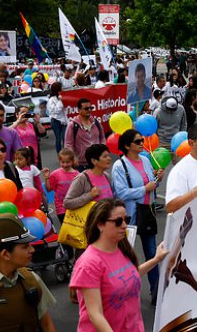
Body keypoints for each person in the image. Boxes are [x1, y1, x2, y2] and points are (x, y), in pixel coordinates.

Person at [69, 199, 168, 331]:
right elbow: (95, 314)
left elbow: (129, 276)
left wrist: (156, 259)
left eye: (126, 219)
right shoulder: (89, 264)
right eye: (118, 221)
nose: (124, 225)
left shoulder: (121, 248)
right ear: (100, 224)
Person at [112, 129, 164, 305]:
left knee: (151, 253)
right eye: (138, 141)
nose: (142, 143)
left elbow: (152, 185)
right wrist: (145, 189)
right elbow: (120, 193)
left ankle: (156, 292)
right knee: (127, 256)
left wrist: (158, 179)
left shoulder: (145, 160)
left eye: (142, 140)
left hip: (147, 212)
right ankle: (124, 292)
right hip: (130, 215)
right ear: (127, 146)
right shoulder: (120, 166)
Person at [0, 213, 57, 331]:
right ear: (5, 254)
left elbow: (47, 325)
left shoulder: (32, 279)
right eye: (25, 247)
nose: (32, 250)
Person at [64, 144, 114, 211]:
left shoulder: (107, 176)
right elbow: (67, 203)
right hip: (91, 220)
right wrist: (89, 195)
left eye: (108, 156)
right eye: (105, 156)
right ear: (94, 161)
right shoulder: (82, 178)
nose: (109, 158)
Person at [65, 98, 106, 171]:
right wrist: (73, 158)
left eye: (91, 108)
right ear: (79, 110)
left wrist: (102, 152)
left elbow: (102, 138)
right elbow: (68, 145)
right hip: (81, 165)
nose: (89, 110)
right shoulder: (72, 125)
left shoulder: (96, 123)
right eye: (86, 108)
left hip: (97, 162)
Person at [42, 148, 79, 223]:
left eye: (67, 162)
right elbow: (49, 189)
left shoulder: (77, 175)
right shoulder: (55, 174)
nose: (65, 164)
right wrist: (46, 178)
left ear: (72, 161)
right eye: (62, 162)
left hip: (74, 207)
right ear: (59, 161)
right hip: (61, 208)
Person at [47, 82, 68, 154]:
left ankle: (66, 155)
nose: (63, 88)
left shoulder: (64, 96)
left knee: (65, 138)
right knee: (58, 139)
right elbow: (56, 111)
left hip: (64, 121)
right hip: (56, 121)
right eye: (61, 87)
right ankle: (59, 155)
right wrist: (60, 101)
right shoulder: (51, 100)